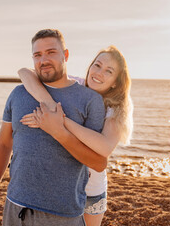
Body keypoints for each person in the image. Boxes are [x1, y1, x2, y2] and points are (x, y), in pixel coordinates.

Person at [0, 29, 108, 226]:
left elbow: (99, 162)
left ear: (65, 55)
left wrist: (58, 132)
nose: (43, 60)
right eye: (37, 55)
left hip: (63, 214)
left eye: (51, 52)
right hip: (15, 207)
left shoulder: (89, 100)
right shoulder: (18, 93)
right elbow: (4, 144)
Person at [18, 45, 133, 226]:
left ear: (116, 82)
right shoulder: (74, 85)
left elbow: (105, 147)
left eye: (108, 71)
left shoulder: (115, 109)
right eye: (97, 65)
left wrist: (60, 120)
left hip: (92, 193)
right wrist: (50, 107)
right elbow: (25, 72)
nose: (99, 73)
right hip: (62, 188)